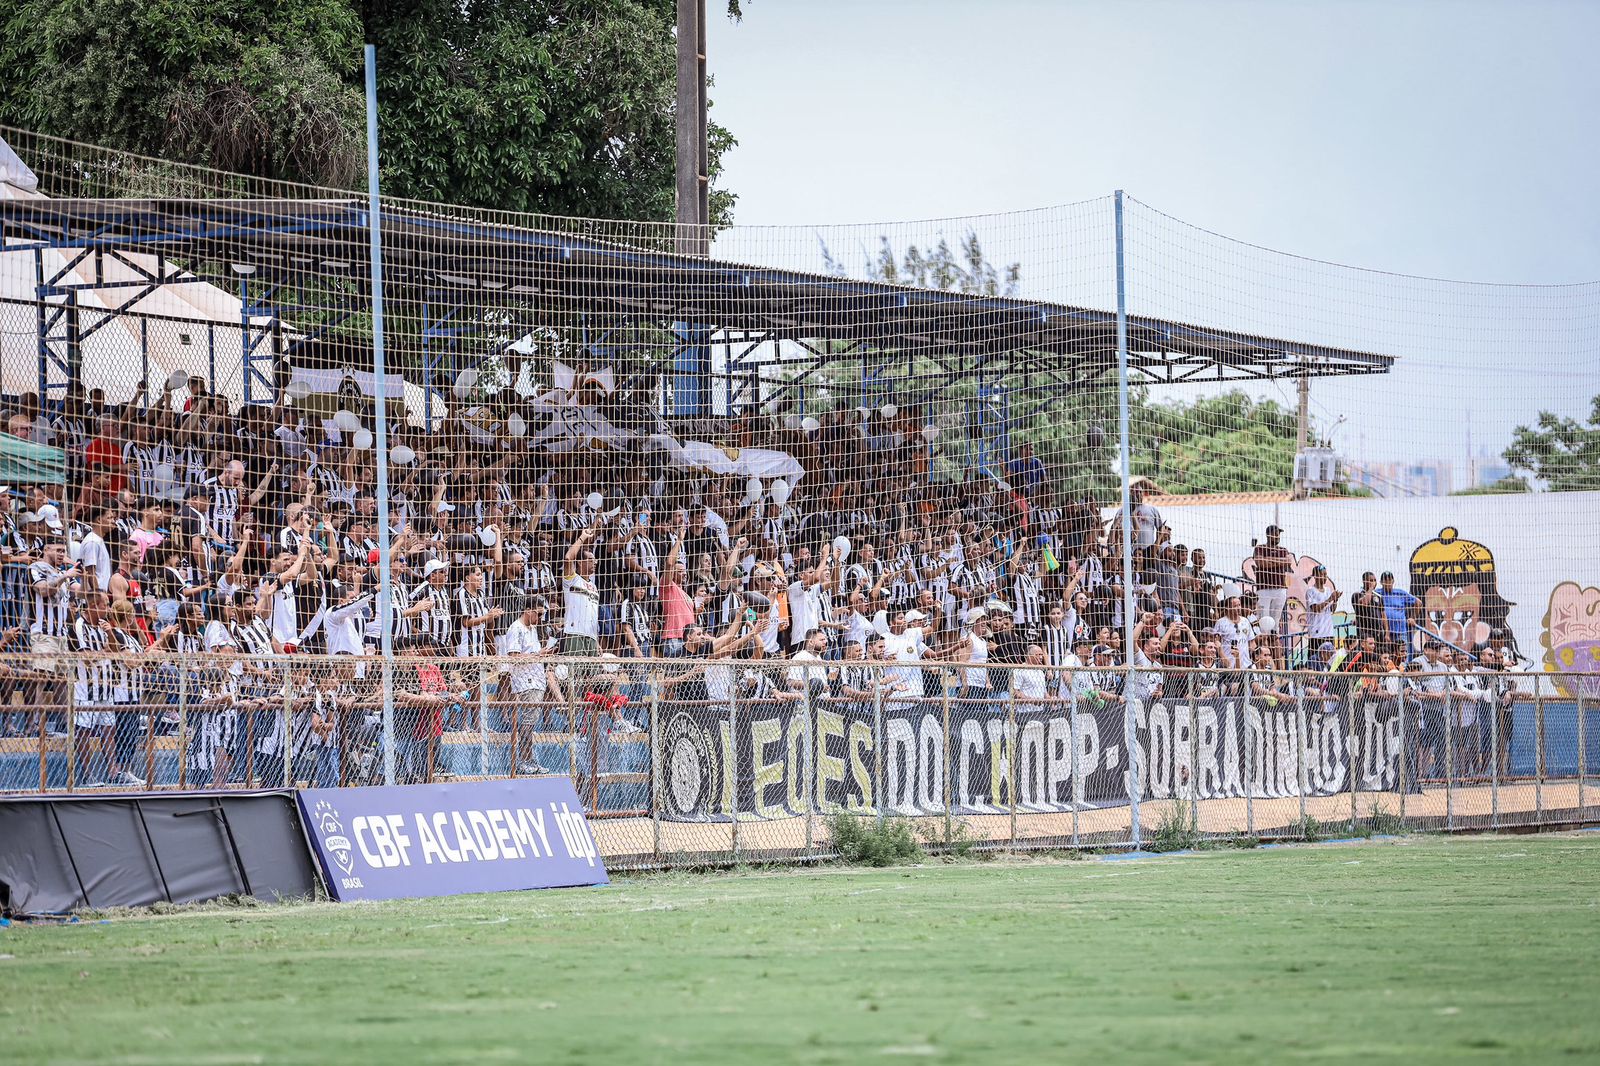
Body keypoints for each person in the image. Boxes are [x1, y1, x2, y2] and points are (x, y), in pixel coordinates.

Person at [1251, 525, 1292, 633]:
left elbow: (1288, 561)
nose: (1278, 536)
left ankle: (1274, 644)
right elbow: (1261, 563)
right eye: (1275, 534)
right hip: (1264, 588)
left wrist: (1269, 560)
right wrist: (1279, 561)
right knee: (1264, 620)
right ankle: (1264, 646)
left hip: (1280, 588)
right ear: (1268, 535)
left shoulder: (1283, 550)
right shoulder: (1259, 548)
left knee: (1276, 621)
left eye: (1278, 534)